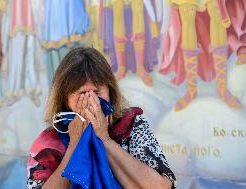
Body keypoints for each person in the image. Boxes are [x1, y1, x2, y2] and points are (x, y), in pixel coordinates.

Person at [27, 47, 176, 189]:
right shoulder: (49, 142)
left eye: (97, 92)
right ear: (64, 98)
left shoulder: (131, 127)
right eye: (82, 94)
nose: (91, 100)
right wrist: (75, 145)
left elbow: (160, 186)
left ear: (110, 92)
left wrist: (104, 139)